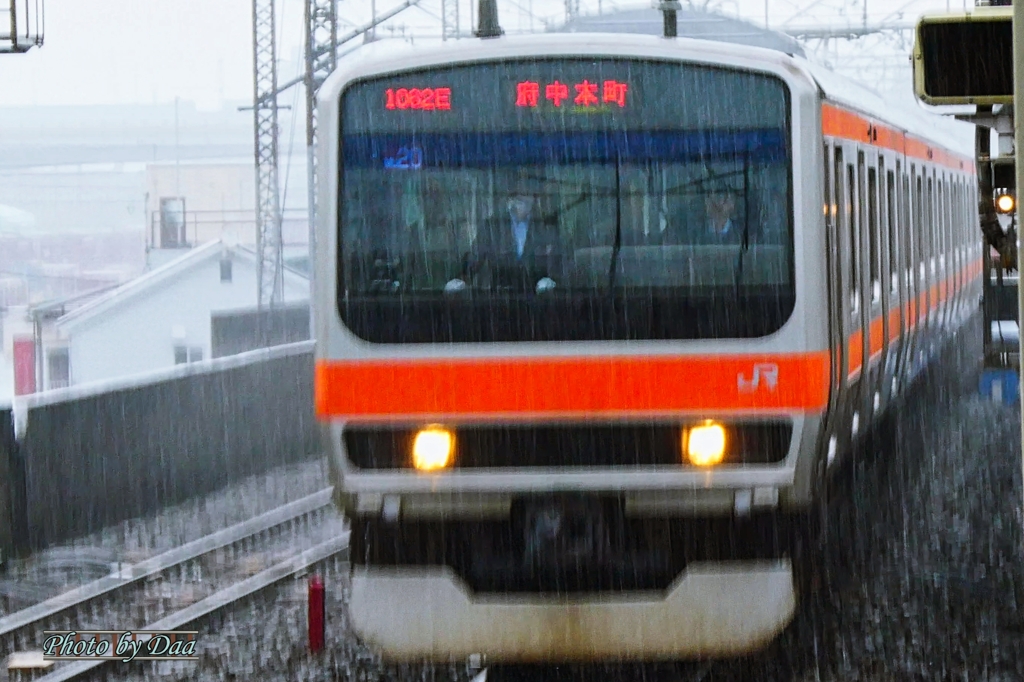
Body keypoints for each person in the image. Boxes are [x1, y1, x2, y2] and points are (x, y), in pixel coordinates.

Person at [446, 179, 563, 293]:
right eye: (519, 197)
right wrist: (461, 279)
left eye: (528, 197)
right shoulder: (494, 226)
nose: (524, 201)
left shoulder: (543, 225)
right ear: (511, 199)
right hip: (500, 296)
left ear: (534, 199)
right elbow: (476, 256)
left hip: (537, 296)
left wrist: (550, 279)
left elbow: (556, 259)